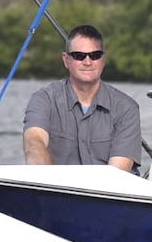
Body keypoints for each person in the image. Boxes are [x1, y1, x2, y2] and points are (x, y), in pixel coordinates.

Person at [23, 24, 142, 171]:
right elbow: (34, 142)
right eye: (79, 56)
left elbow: (118, 173)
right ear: (66, 60)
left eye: (95, 55)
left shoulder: (127, 108)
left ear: (103, 60)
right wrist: (48, 182)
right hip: (55, 188)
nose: (87, 62)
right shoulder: (43, 99)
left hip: (108, 190)